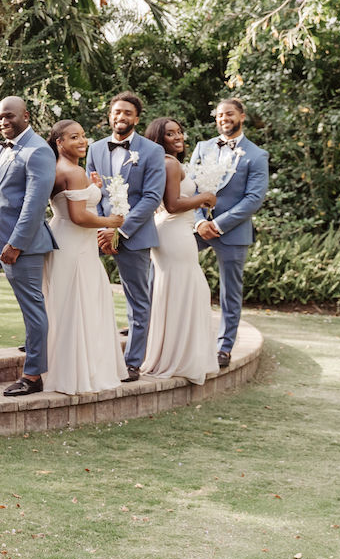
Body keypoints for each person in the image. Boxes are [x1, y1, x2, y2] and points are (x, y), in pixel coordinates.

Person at [0, 96, 56, 397]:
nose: (3, 122)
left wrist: (16, 243)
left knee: (32, 309)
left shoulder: (39, 151)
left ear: (26, 116)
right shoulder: (1, 149)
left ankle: (33, 376)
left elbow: (34, 205)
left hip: (21, 245)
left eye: (9, 116)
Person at [85, 92, 167, 382]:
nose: (121, 117)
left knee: (137, 302)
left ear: (136, 118)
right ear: (110, 115)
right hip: (96, 234)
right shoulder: (94, 149)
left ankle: (132, 362)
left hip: (133, 235)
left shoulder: (152, 151)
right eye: (117, 112)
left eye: (127, 113)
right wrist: (99, 227)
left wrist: (119, 230)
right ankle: (83, 353)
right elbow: (90, 192)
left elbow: (151, 197)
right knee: (80, 291)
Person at [42, 120, 128, 395]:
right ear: (59, 143)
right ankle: (79, 373)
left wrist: (94, 188)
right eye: (73, 137)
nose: (82, 141)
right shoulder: (75, 171)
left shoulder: (60, 169)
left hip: (65, 239)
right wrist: (110, 220)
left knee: (67, 306)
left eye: (83, 135)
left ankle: (67, 369)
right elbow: (79, 217)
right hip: (76, 244)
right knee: (80, 304)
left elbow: (71, 206)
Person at [189, 98, 269, 369]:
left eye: (230, 114)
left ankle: (224, 347)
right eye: (220, 115)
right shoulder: (203, 147)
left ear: (242, 117)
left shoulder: (257, 155)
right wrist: (200, 221)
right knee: (164, 267)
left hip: (232, 232)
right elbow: (191, 188)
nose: (224, 118)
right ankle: (152, 329)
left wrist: (219, 224)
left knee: (230, 293)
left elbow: (253, 199)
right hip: (198, 229)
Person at [143, 117, 218, 385]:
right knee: (188, 290)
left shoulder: (169, 162)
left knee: (180, 291)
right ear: (158, 139)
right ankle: (178, 359)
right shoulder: (168, 163)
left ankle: (176, 355)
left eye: (179, 132)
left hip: (175, 230)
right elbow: (173, 204)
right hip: (174, 231)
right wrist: (205, 198)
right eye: (170, 133)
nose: (178, 137)